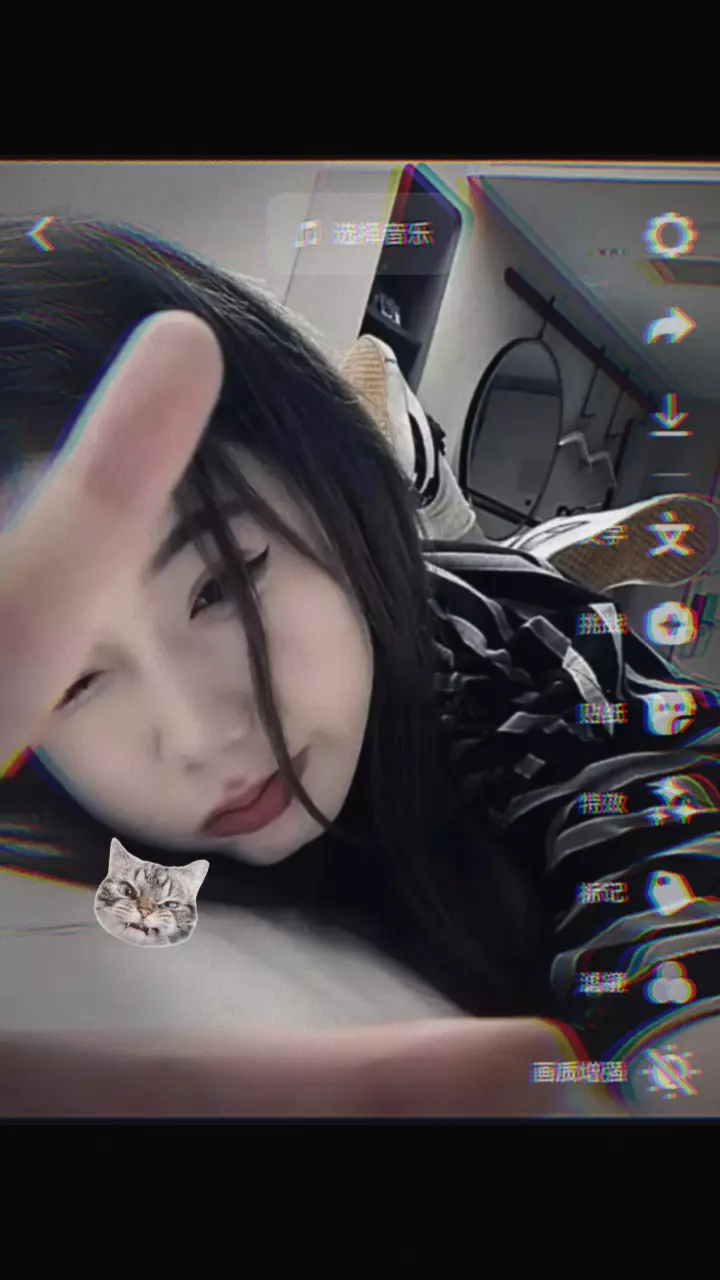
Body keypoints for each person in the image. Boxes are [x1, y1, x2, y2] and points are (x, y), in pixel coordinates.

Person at [0, 213, 719, 1119]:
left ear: (332, 488)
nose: (202, 735)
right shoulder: (33, 851)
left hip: (447, 614)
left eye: (224, 583)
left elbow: (659, 850)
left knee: (500, 590)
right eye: (73, 681)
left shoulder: (513, 661)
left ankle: (476, 515)